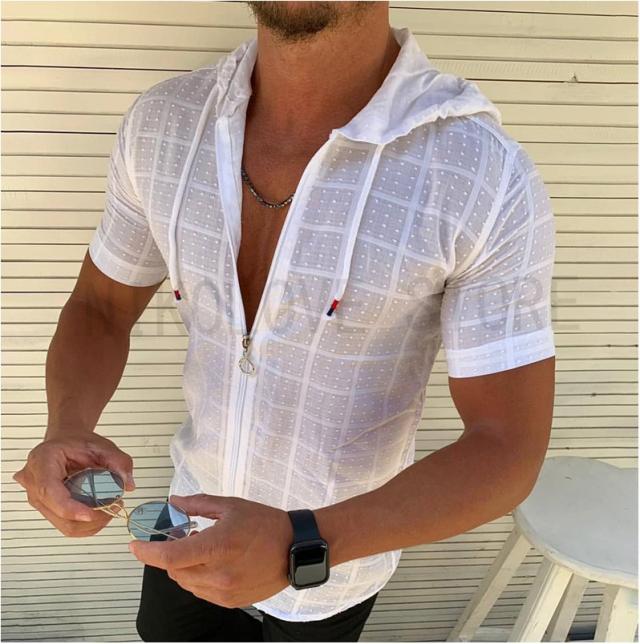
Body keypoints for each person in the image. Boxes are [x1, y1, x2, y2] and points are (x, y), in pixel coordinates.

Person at [13, 1, 557, 641]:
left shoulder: (481, 174)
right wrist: (67, 425)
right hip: (182, 525)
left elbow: (507, 446)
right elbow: (100, 306)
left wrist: (305, 540)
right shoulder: (164, 126)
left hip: (332, 566)